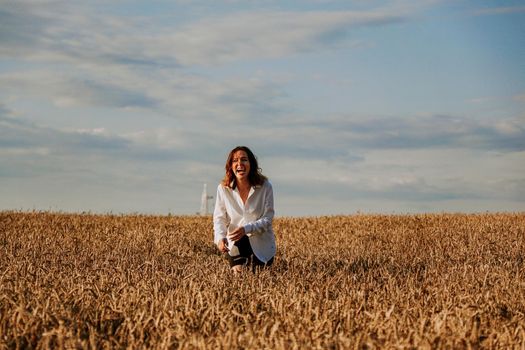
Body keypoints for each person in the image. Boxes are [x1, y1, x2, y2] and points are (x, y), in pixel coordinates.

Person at [213, 146, 276, 273]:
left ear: (251, 164)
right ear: (230, 166)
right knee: (239, 278)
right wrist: (220, 238)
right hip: (236, 242)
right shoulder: (223, 188)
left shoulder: (265, 187)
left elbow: (267, 219)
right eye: (235, 161)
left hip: (262, 245)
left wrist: (246, 229)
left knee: (260, 281)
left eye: (244, 160)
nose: (239, 164)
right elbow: (219, 218)